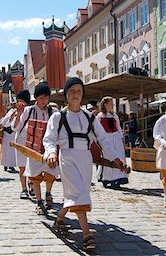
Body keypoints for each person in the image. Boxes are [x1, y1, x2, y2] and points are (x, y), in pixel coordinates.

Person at [44, 77, 121, 252]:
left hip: (85, 158)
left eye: (79, 91)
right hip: (67, 157)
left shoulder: (90, 117)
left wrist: (115, 158)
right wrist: (51, 152)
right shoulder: (58, 117)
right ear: (66, 94)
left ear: (83, 94)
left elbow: (103, 139)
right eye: (71, 91)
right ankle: (87, 235)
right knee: (78, 192)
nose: (75, 94)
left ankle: (59, 218)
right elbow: (49, 138)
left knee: (78, 193)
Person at [22, 82, 59, 215]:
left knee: (51, 173)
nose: (44, 100)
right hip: (34, 148)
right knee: (35, 176)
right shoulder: (29, 110)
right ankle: (39, 201)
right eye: (42, 97)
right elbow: (20, 127)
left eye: (46, 97)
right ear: (36, 98)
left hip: (49, 149)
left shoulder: (54, 112)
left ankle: (48, 194)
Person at [96, 96, 129, 189]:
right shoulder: (100, 116)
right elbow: (98, 130)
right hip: (106, 139)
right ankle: (107, 178)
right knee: (108, 158)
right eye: (111, 104)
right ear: (105, 104)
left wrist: (121, 139)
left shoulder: (114, 116)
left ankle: (118, 179)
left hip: (116, 138)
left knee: (119, 156)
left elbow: (118, 128)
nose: (112, 106)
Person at [12, 89, 32, 199]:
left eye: (19, 100)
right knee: (22, 167)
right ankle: (24, 188)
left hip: (31, 141)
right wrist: (18, 114)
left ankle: (31, 185)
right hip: (20, 141)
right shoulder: (18, 112)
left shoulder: (32, 110)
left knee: (32, 166)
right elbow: (15, 127)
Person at [0, 98, 17, 172]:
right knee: (6, 150)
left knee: (12, 150)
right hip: (7, 133)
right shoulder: (10, 112)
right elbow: (4, 122)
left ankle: (11, 165)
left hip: (13, 133)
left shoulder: (18, 111)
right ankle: (5, 164)